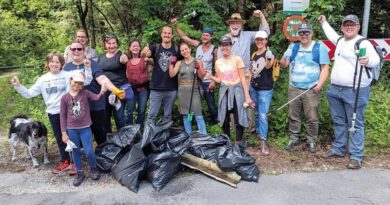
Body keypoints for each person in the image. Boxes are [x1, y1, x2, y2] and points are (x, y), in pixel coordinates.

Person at [10, 52, 92, 175]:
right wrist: (18, 86)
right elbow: (28, 94)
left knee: (73, 138)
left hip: (70, 111)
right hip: (54, 113)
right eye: (52, 61)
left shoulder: (68, 75)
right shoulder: (43, 79)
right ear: (47, 64)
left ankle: (75, 163)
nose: (54, 64)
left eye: (57, 62)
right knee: (60, 138)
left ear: (61, 64)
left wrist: (87, 67)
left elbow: (87, 80)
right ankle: (65, 162)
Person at [319, 14, 380, 169]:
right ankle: (339, 149)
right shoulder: (340, 41)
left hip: (355, 90)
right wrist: (324, 22)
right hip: (335, 90)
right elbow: (331, 34)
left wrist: (368, 61)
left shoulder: (362, 43)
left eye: (352, 24)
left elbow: (375, 59)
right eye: (346, 24)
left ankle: (356, 156)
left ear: (358, 27)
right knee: (338, 121)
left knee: (355, 122)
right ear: (342, 27)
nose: (349, 27)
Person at [279, 23, 330, 153]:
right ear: (298, 35)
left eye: (306, 33)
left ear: (311, 33)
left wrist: (319, 85)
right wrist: (285, 56)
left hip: (312, 89)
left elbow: (325, 68)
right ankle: (293, 139)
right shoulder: (293, 47)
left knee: (312, 117)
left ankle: (311, 141)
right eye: (301, 33)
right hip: (294, 87)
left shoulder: (319, 48)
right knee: (293, 115)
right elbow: (283, 65)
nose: (304, 35)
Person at [64, 41, 125, 145]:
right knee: (81, 134)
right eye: (73, 49)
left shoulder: (92, 64)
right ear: (70, 51)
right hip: (77, 107)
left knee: (99, 132)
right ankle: (86, 155)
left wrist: (115, 90)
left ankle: (103, 154)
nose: (76, 51)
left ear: (84, 51)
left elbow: (101, 78)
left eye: (79, 49)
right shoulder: (66, 68)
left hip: (95, 104)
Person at [218, 10, 270, 131]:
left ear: (241, 24)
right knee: (231, 101)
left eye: (238, 23)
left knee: (246, 100)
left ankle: (248, 128)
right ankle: (233, 127)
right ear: (229, 24)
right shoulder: (224, 39)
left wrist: (261, 15)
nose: (235, 25)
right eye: (233, 23)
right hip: (230, 75)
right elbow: (220, 58)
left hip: (246, 74)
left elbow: (265, 32)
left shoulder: (247, 35)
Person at [60, 72, 107, 186]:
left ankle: (93, 168)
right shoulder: (65, 98)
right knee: (75, 152)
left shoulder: (85, 93)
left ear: (82, 85)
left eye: (80, 83)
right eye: (75, 82)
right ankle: (79, 172)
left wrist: (102, 91)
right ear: (71, 81)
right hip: (72, 129)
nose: (77, 85)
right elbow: (62, 115)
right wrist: (63, 132)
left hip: (85, 128)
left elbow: (96, 98)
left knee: (89, 151)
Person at [206, 36, 253, 145]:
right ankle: (227, 141)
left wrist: (247, 96)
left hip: (237, 90)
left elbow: (242, 78)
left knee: (239, 116)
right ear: (220, 47)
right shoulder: (218, 62)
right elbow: (220, 79)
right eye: (222, 45)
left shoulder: (237, 59)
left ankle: (238, 141)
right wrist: (212, 77)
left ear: (231, 46)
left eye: (227, 45)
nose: (224, 47)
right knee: (224, 117)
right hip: (224, 91)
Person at [171, 18, 218, 124]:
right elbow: (183, 37)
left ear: (211, 37)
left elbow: (218, 66)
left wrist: (213, 81)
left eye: (207, 35)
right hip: (194, 80)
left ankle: (216, 125)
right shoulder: (198, 45)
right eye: (203, 35)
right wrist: (176, 26)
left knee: (210, 104)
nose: (205, 37)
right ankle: (191, 123)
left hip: (206, 80)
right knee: (192, 103)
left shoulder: (214, 49)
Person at [141, 26, 179, 123]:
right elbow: (145, 56)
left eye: (169, 33)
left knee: (168, 116)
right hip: (156, 88)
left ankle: (165, 135)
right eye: (165, 33)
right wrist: (144, 52)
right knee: (151, 115)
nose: (167, 35)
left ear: (172, 35)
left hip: (171, 88)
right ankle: (149, 136)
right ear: (161, 34)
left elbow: (184, 62)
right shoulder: (155, 47)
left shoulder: (176, 49)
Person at [169, 42, 207, 134]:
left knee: (198, 115)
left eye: (186, 49)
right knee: (186, 115)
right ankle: (189, 137)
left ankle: (204, 137)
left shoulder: (197, 61)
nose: (185, 51)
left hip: (194, 90)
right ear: (181, 53)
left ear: (190, 49)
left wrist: (199, 68)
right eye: (182, 50)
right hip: (182, 91)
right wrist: (171, 63)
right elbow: (172, 74)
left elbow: (202, 77)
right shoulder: (179, 63)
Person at [249, 30, 275, 155]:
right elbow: (252, 71)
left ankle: (263, 142)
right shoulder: (254, 54)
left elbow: (269, 66)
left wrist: (269, 58)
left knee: (263, 115)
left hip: (265, 89)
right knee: (257, 113)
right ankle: (259, 133)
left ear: (266, 41)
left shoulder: (269, 53)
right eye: (257, 39)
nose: (259, 41)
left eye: (262, 39)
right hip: (254, 87)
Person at [97, 34, 129, 133]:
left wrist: (125, 60)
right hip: (105, 92)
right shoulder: (101, 57)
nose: (112, 46)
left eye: (114, 43)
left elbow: (125, 61)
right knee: (105, 118)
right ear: (105, 45)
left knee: (119, 118)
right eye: (109, 43)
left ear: (117, 44)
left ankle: (123, 141)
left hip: (118, 91)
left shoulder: (121, 55)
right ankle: (109, 142)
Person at [125, 39, 152, 127]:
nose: (135, 47)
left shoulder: (144, 59)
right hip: (131, 89)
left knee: (142, 110)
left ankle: (138, 129)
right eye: (133, 46)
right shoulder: (126, 60)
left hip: (143, 89)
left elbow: (156, 64)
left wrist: (149, 71)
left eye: (137, 46)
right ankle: (129, 129)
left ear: (140, 48)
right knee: (129, 111)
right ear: (129, 48)